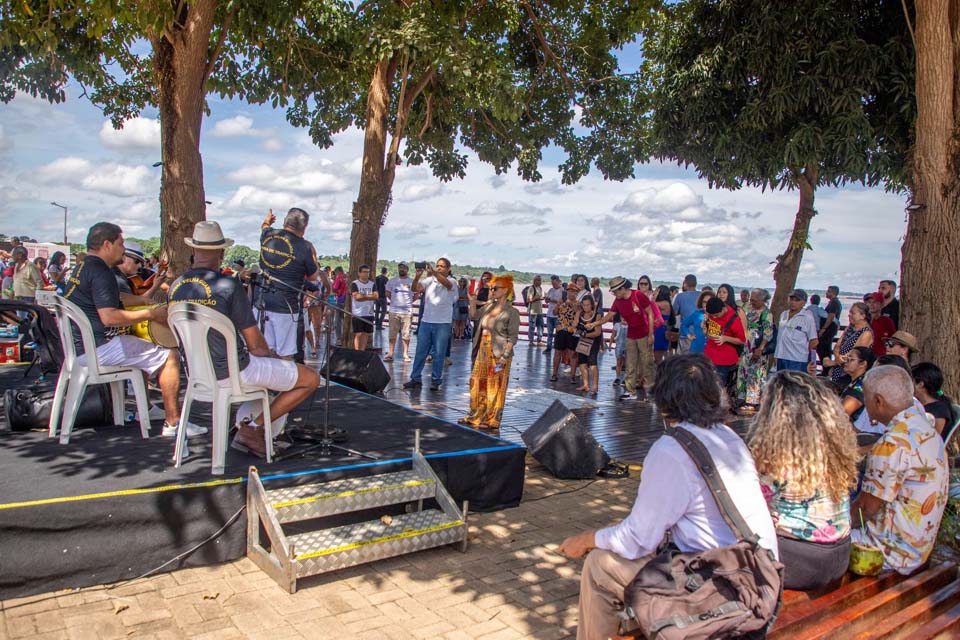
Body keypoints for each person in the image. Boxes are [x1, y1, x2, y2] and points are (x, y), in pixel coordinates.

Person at [559, 355, 778, 640]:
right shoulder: (729, 437)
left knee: (600, 564)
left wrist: (587, 539)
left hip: (720, 588)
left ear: (663, 400)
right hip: (757, 575)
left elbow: (637, 539)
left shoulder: (670, 450)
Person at [169, 222, 320, 455]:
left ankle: (247, 424)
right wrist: (274, 358)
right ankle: (253, 428)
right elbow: (257, 347)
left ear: (193, 250)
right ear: (221, 253)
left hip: (198, 376)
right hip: (235, 372)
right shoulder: (228, 286)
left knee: (271, 375)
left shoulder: (176, 287)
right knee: (309, 378)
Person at [64, 222, 203, 438]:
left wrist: (144, 301)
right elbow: (109, 317)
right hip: (97, 348)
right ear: (107, 244)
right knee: (170, 356)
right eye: (120, 244)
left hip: (81, 346)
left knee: (141, 348)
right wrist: (151, 314)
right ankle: (174, 423)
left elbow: (116, 298)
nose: (123, 249)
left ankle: (147, 409)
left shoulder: (84, 267)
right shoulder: (101, 272)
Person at [748, 371, 858, 590]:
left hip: (796, 562)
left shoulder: (774, 457)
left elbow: (753, 509)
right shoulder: (836, 449)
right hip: (839, 554)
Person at [851, 366, 947, 575]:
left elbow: (864, 510)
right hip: (919, 548)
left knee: (807, 545)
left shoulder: (892, 443)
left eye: (865, 398)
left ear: (878, 401)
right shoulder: (925, 427)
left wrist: (828, 521)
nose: (864, 404)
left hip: (888, 553)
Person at [257, 208, 323, 360]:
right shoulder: (304, 246)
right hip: (285, 307)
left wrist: (267, 220)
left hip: (261, 303)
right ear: (304, 227)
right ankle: (285, 382)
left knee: (266, 350)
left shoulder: (268, 235)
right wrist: (313, 254)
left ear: (285, 222)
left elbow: (264, 227)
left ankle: (268, 382)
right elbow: (313, 276)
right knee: (285, 353)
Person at [459, 275, 520, 430]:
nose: (492, 291)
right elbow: (473, 316)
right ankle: (476, 414)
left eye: (495, 288)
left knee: (495, 385)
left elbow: (512, 337)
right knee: (477, 381)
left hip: (499, 351)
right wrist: (472, 301)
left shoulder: (512, 311)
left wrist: (505, 356)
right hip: (483, 348)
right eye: (491, 288)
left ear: (506, 290)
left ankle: (492, 418)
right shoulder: (488, 306)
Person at [589, 277, 656, 400]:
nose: (614, 294)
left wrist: (651, 334)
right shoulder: (617, 301)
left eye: (615, 291)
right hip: (631, 334)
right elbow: (609, 316)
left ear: (623, 288)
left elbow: (650, 313)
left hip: (644, 333)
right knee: (630, 363)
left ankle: (651, 391)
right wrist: (594, 324)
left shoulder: (638, 295)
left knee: (647, 363)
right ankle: (631, 391)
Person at [403, 258, 457, 391]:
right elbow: (416, 289)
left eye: (442, 266)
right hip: (426, 321)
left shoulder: (452, 281)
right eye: (437, 266)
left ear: (448, 268)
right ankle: (415, 378)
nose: (439, 268)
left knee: (439, 354)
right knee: (420, 351)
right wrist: (417, 277)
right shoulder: (429, 280)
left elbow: (447, 285)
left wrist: (433, 272)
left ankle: (436, 380)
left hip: (443, 323)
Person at [703, 296, 746, 405]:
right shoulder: (712, 314)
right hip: (709, 354)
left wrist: (726, 338)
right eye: (712, 315)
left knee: (720, 386)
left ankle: (719, 409)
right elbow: (711, 334)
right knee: (707, 383)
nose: (715, 317)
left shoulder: (734, 318)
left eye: (716, 315)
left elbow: (742, 340)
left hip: (724, 358)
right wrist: (705, 329)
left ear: (723, 309)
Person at [737, 288, 774, 414]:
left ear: (763, 300)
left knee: (755, 374)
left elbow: (768, 333)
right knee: (743, 371)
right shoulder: (748, 310)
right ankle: (741, 397)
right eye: (751, 300)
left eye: (755, 300)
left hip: (756, 347)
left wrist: (761, 348)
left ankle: (753, 401)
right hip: (746, 347)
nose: (752, 302)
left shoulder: (766, 313)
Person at [825, 302, 874, 384]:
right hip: (839, 368)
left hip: (849, 373)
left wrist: (832, 362)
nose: (849, 315)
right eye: (849, 312)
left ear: (863, 316)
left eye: (852, 313)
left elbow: (855, 354)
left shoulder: (866, 333)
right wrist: (838, 358)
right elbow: (837, 346)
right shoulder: (850, 327)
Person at [774, 289, 819, 373]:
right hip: (781, 357)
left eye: (797, 300)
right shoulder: (784, 314)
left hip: (797, 360)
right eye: (791, 299)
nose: (793, 302)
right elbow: (780, 336)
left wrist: (811, 361)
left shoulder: (807, 317)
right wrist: (776, 355)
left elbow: (813, 341)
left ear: (804, 302)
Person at [912, 362, 957, 437]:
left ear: (920, 384)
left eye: (911, 381)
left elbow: (932, 439)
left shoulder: (939, 411)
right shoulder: (919, 403)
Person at [384, 262, 416, 361]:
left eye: (404, 268)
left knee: (406, 334)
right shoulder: (392, 281)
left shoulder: (412, 282)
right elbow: (388, 293)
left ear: (407, 269)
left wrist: (408, 303)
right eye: (400, 268)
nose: (402, 269)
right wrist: (395, 302)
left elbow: (416, 295)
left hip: (407, 312)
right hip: (394, 311)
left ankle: (405, 354)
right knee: (392, 333)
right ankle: (390, 353)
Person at [551, 284, 581, 383]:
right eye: (569, 291)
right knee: (557, 353)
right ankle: (554, 374)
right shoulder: (562, 302)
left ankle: (572, 376)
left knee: (573, 354)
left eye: (574, 292)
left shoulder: (578, 304)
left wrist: (570, 304)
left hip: (572, 331)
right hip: (561, 329)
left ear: (577, 293)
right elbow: (554, 313)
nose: (571, 294)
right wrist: (558, 305)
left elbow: (578, 312)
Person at [839, 346, 876, 424]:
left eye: (851, 359)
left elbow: (843, 411)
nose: (846, 362)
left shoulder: (862, 384)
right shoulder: (850, 381)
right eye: (846, 359)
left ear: (863, 364)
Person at [574, 295, 602, 395]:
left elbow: (598, 332)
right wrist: (578, 329)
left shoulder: (597, 315)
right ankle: (585, 384)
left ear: (592, 305)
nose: (586, 307)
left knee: (593, 362)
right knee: (582, 362)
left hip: (593, 340)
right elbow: (574, 325)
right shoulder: (579, 313)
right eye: (584, 305)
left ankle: (595, 386)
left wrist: (586, 334)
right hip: (582, 340)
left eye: (588, 305)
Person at [349, 264, 377, 351]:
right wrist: (369, 295)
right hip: (358, 313)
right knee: (359, 333)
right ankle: (357, 351)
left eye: (367, 272)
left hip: (369, 312)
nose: (366, 274)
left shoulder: (372, 284)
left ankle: (362, 350)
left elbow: (376, 296)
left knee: (366, 333)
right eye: (364, 272)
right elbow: (356, 297)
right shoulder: (355, 284)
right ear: (359, 273)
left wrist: (363, 296)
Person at [672, 274, 700, 353]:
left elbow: (674, 312)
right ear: (696, 283)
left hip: (685, 333)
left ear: (685, 283)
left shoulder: (680, 296)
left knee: (684, 360)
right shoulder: (702, 295)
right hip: (700, 332)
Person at [817, 286, 843, 371]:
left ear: (833, 293)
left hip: (829, 330)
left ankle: (826, 369)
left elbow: (831, 316)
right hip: (830, 330)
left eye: (828, 291)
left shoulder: (834, 303)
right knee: (825, 348)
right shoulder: (834, 302)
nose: (826, 293)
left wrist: (824, 328)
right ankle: (826, 369)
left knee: (823, 348)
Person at [681, 290, 711, 354]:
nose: (707, 304)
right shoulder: (696, 314)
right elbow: (684, 324)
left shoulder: (717, 316)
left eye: (710, 302)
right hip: (696, 350)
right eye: (704, 302)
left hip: (711, 351)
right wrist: (688, 335)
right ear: (701, 303)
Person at [543, 275, 564, 353]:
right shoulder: (551, 290)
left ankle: (558, 347)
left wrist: (551, 300)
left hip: (558, 315)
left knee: (559, 333)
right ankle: (549, 347)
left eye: (555, 283)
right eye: (552, 284)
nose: (553, 285)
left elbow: (561, 302)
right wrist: (546, 299)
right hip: (549, 314)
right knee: (550, 333)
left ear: (558, 282)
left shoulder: (563, 290)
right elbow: (547, 301)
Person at [523, 275, 545, 345]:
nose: (540, 282)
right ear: (534, 281)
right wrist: (539, 298)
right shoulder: (531, 288)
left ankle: (539, 340)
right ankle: (531, 341)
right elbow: (529, 300)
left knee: (540, 325)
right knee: (532, 326)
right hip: (533, 310)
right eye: (538, 280)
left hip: (539, 310)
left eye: (540, 280)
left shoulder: (540, 288)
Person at [453, 276, 470, 340]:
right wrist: (461, 298)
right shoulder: (456, 289)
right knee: (457, 322)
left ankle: (461, 334)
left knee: (463, 322)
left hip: (464, 306)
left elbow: (468, 297)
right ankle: (456, 335)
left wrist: (461, 298)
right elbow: (455, 297)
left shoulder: (466, 289)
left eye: (462, 281)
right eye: (460, 281)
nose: (461, 283)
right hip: (457, 306)